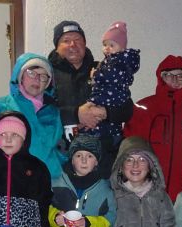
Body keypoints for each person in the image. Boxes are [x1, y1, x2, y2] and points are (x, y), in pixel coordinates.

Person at [124, 55, 182, 201]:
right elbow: (130, 150)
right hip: (147, 192)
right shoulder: (143, 108)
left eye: (180, 75)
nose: (175, 79)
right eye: (169, 75)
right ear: (161, 77)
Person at [48, 21, 133, 163]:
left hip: (105, 154)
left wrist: (105, 112)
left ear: (84, 44)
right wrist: (76, 115)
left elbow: (128, 109)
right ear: (57, 47)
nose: (73, 45)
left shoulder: (104, 69)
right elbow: (41, 112)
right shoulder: (46, 74)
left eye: (77, 39)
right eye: (66, 40)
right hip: (61, 156)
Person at [0, 53, 65, 179]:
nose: (37, 79)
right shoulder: (0, 106)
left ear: (48, 83)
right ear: (20, 76)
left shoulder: (53, 111)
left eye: (43, 76)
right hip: (12, 180)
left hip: (51, 180)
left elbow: (56, 148)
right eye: (31, 73)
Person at [82, 22, 139, 147]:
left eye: (112, 45)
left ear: (122, 48)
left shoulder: (118, 63)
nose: (107, 48)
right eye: (105, 45)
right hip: (108, 100)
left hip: (111, 99)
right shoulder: (110, 62)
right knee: (98, 126)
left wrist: (95, 75)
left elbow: (110, 77)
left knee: (103, 129)